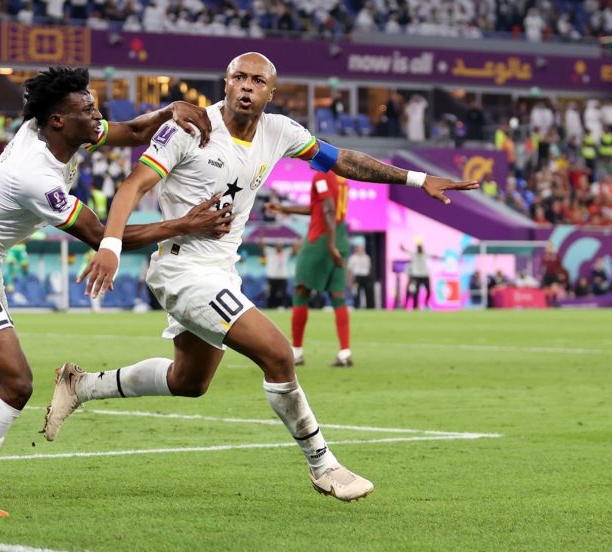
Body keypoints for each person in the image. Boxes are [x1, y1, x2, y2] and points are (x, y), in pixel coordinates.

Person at [55, 52, 477, 503]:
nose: (247, 86)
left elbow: (342, 160)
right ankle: (324, 465)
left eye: (258, 80)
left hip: (221, 272)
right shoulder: (190, 128)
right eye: (239, 77)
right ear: (225, 83)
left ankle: (81, 385)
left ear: (271, 93)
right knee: (278, 354)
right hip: (181, 271)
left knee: (189, 382)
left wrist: (416, 179)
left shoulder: (280, 132)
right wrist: (110, 246)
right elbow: (132, 186)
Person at [0, 66, 230, 517]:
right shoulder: (36, 176)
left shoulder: (56, 132)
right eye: (87, 109)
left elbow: (130, 131)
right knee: (15, 383)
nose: (97, 114)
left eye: (94, 104)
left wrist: (169, 111)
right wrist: (184, 224)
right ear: (58, 121)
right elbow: (103, 236)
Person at [268, 170, 356, 366]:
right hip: (341, 237)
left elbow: (329, 209)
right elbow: (318, 208)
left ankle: (297, 352)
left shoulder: (322, 175)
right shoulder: (341, 178)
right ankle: (345, 352)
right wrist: (284, 208)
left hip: (321, 240)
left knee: (301, 290)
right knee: (337, 295)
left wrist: (330, 244)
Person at [401, 243, 442, 310]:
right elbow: (406, 251)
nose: (420, 249)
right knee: (416, 292)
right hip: (416, 276)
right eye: (419, 248)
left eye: (421, 248)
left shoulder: (425, 254)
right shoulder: (414, 254)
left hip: (424, 275)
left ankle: (426, 303)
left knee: (429, 291)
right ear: (417, 249)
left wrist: (440, 258)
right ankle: (416, 306)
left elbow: (433, 256)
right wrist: (402, 248)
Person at [260, 239, 291, 309]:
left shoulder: (285, 252)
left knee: (283, 293)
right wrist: (261, 237)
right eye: (278, 245)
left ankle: (283, 306)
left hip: (282, 277)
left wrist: (299, 239)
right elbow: (261, 246)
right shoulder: (270, 251)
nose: (279, 247)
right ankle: (271, 306)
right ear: (275, 246)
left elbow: (295, 249)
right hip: (272, 277)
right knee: (271, 293)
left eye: (280, 245)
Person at [348, 243, 374, 309]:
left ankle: (370, 307)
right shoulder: (353, 258)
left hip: (366, 276)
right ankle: (356, 306)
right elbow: (350, 271)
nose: (360, 250)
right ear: (356, 249)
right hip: (357, 277)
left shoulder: (367, 257)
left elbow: (369, 269)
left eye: (362, 248)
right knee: (356, 293)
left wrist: (369, 277)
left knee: (369, 292)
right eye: (359, 248)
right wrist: (350, 281)